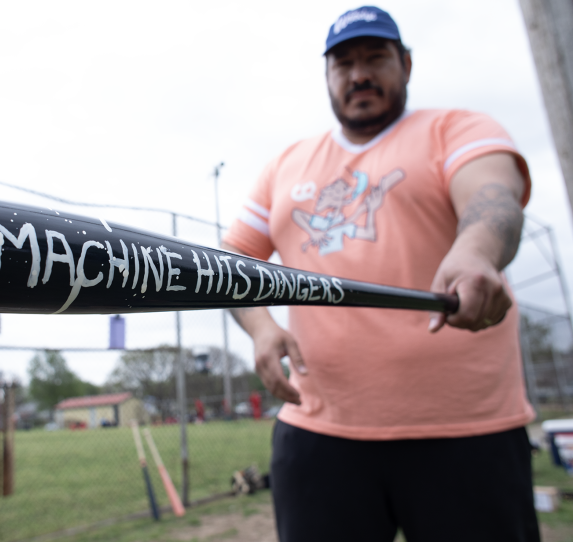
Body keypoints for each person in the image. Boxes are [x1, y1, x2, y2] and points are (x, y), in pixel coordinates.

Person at [222, 6, 539, 541]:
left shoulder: (456, 129)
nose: (359, 74)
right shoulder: (286, 165)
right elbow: (234, 259)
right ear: (327, 76)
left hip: (465, 431)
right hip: (319, 433)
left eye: (375, 58)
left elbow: (493, 200)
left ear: (406, 65)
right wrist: (260, 326)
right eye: (343, 63)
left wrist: (476, 252)